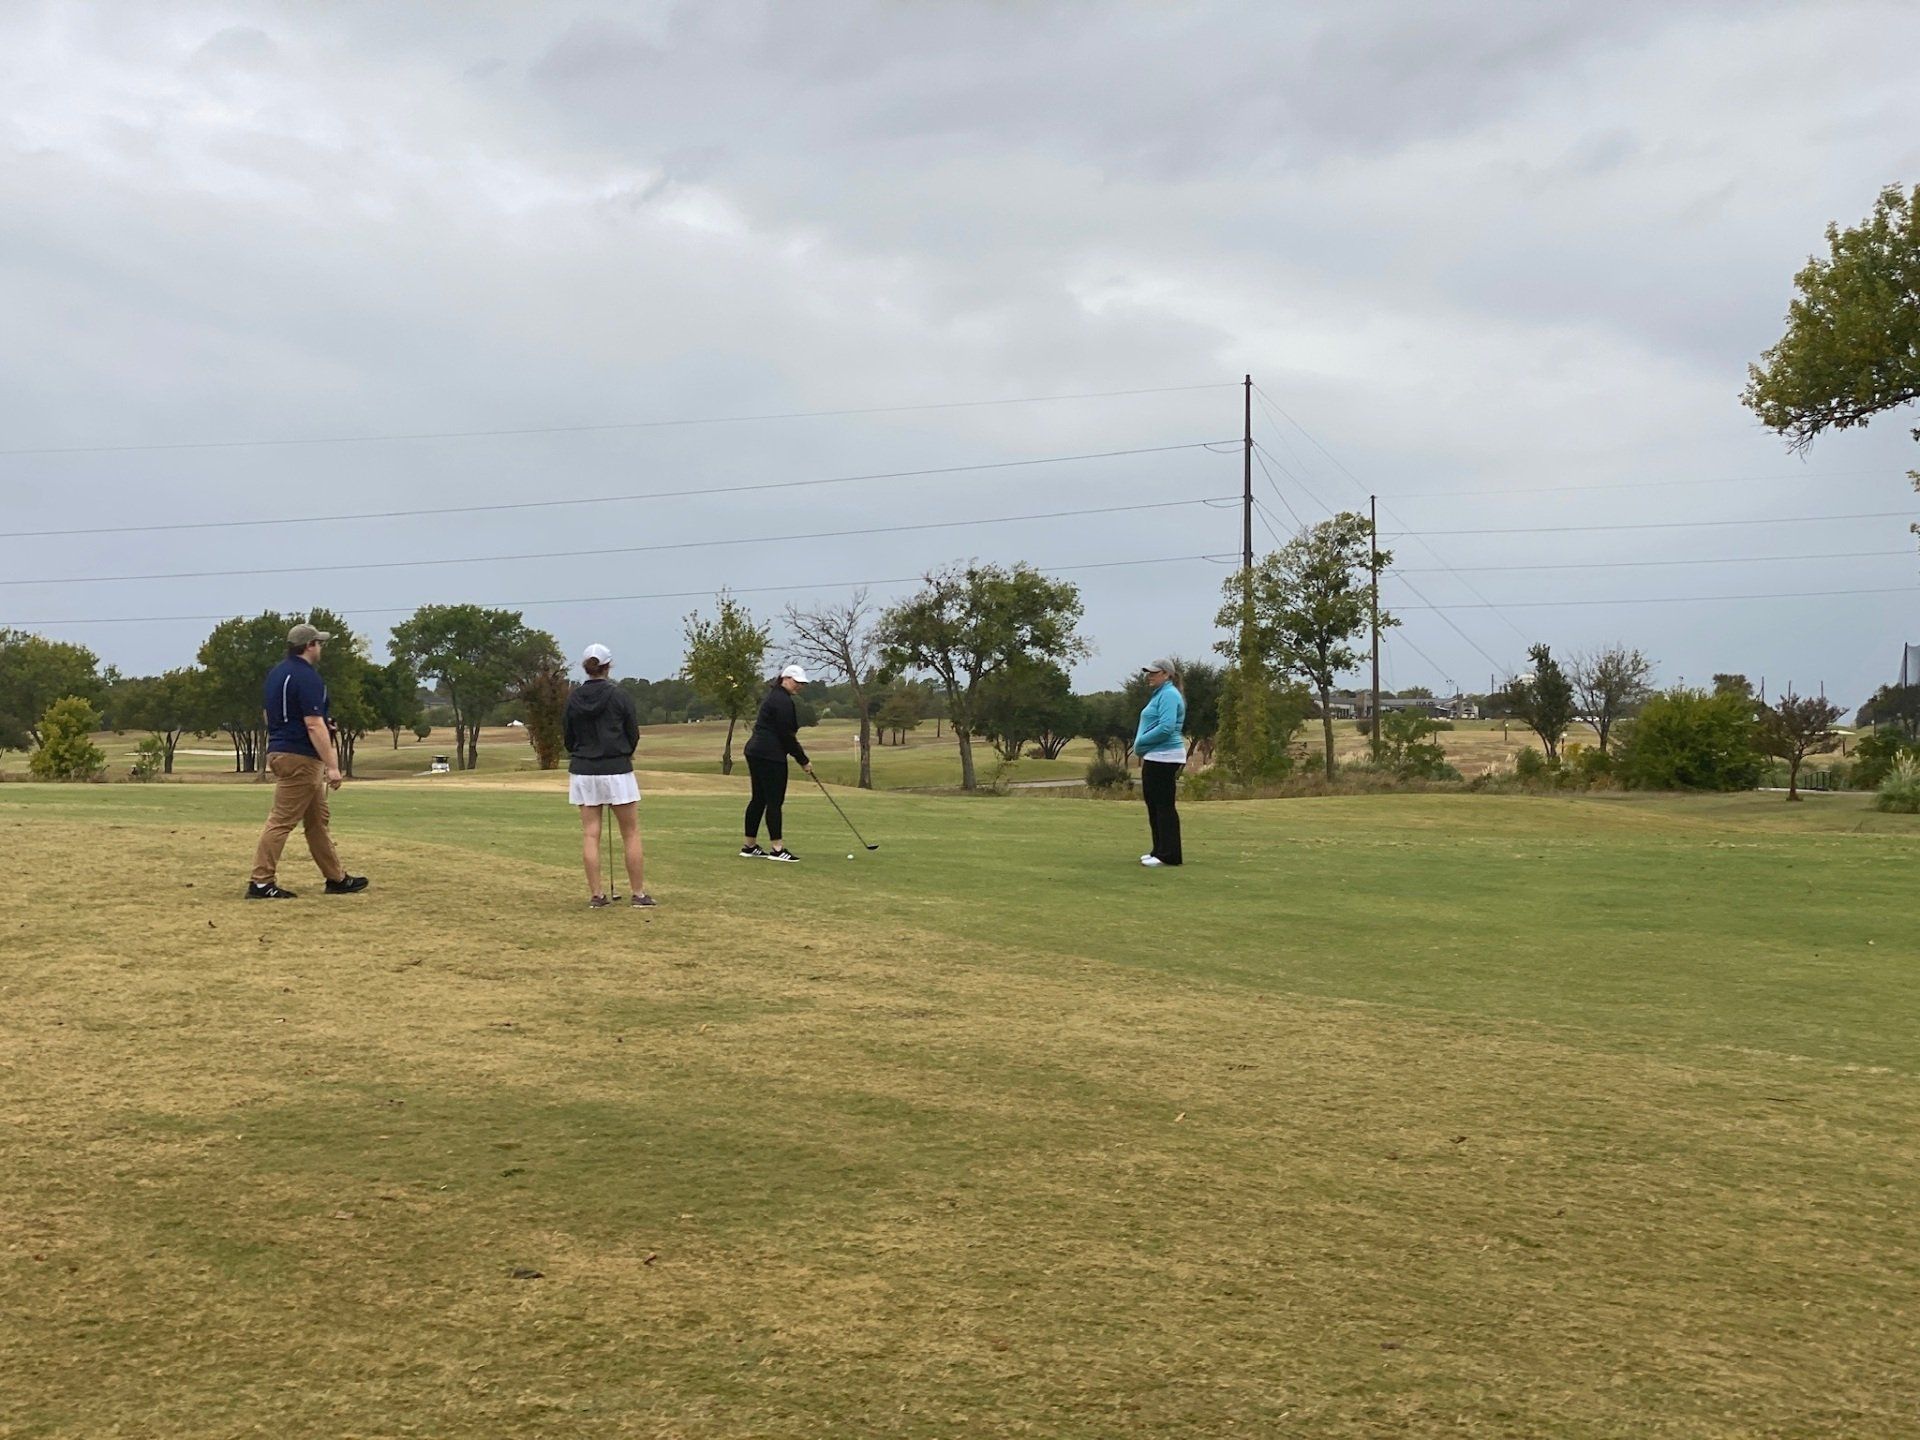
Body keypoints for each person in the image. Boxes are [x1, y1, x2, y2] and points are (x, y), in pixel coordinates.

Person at [247, 622, 369, 899]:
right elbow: (314, 725)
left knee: (317, 821)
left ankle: (336, 878)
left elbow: (270, 716)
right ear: (309, 645)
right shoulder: (308, 677)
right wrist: (334, 766)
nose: (321, 648)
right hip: (301, 758)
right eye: (319, 643)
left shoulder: (276, 674)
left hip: (281, 751)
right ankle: (261, 882)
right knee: (281, 821)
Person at [563, 643, 654, 908]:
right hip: (616, 768)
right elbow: (632, 733)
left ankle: (597, 895)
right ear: (608, 666)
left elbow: (568, 737)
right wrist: (623, 752)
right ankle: (637, 894)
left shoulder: (573, 698)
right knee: (631, 832)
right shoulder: (620, 696)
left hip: (583, 769)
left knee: (591, 834)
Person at [741, 664, 814, 862]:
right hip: (769, 755)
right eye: (797, 682)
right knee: (774, 801)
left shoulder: (774, 697)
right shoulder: (782, 701)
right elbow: (786, 736)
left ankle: (750, 845)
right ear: (786, 679)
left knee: (759, 799)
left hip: (756, 751)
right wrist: (803, 760)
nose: (799, 686)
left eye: (801, 684)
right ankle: (777, 848)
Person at [1134, 658, 1187, 868]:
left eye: (1154, 673)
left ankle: (1170, 855)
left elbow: (1166, 727)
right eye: (1149, 672)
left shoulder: (1169, 694)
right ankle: (1159, 850)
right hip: (1156, 756)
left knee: (1164, 806)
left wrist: (1140, 742)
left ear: (1166, 675)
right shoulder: (1161, 694)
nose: (1150, 676)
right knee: (1154, 804)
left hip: (1165, 757)